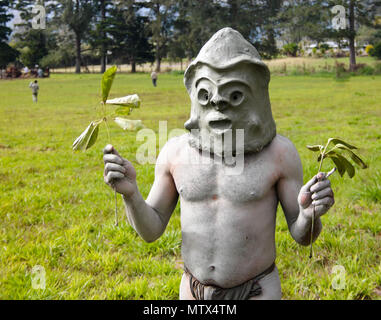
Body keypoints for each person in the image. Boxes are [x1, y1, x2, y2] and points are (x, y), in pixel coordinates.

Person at [103, 28, 335, 300]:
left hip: (257, 291)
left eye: (234, 95)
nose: (218, 104)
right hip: (193, 290)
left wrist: (310, 215)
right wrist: (131, 195)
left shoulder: (279, 154)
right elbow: (151, 230)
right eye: (207, 95)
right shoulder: (175, 152)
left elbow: (303, 236)